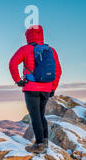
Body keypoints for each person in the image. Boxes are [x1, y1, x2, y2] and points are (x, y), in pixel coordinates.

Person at [9, 25, 62, 153]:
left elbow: (12, 64)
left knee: (35, 116)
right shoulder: (51, 50)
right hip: (46, 89)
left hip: (31, 88)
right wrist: (52, 88)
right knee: (41, 115)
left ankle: (39, 144)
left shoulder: (25, 49)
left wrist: (18, 81)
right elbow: (58, 71)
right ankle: (45, 142)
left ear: (28, 36)